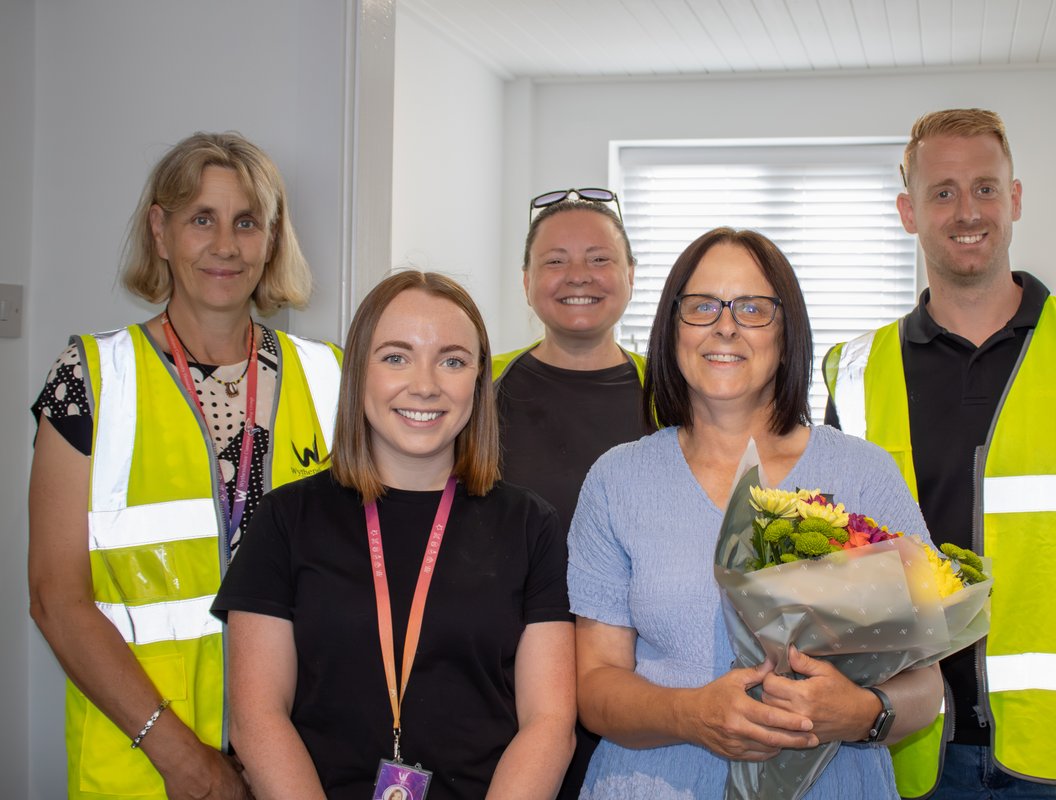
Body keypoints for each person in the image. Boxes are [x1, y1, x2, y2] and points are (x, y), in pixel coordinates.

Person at [823, 108, 1056, 799]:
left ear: (1015, 198)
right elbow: (829, 563)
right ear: (909, 211)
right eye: (943, 192)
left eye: (986, 188)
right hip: (910, 746)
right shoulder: (856, 373)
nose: (968, 212)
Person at [569, 227, 945, 800]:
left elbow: (927, 682)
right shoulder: (617, 481)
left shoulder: (863, 474)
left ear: (788, 330)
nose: (725, 326)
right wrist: (688, 714)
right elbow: (595, 687)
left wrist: (864, 712)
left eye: (753, 308)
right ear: (672, 329)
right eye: (701, 307)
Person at [27, 132, 342, 799]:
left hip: (303, 759)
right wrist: (184, 760)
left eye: (246, 222)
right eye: (202, 218)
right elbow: (56, 599)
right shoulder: (89, 378)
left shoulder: (330, 377)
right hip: (146, 765)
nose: (225, 246)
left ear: (272, 238)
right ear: (160, 231)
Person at [215, 270, 576, 799]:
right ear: (359, 371)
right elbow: (257, 719)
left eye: (452, 360)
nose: (425, 384)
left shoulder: (530, 526)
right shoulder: (285, 520)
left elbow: (549, 724)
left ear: (478, 380)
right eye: (396, 357)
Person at [493, 188, 653, 798]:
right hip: (504, 688)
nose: (578, 276)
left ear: (631, 276)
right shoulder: (479, 387)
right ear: (527, 280)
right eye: (556, 260)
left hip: (638, 691)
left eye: (600, 258)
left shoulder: (673, 396)